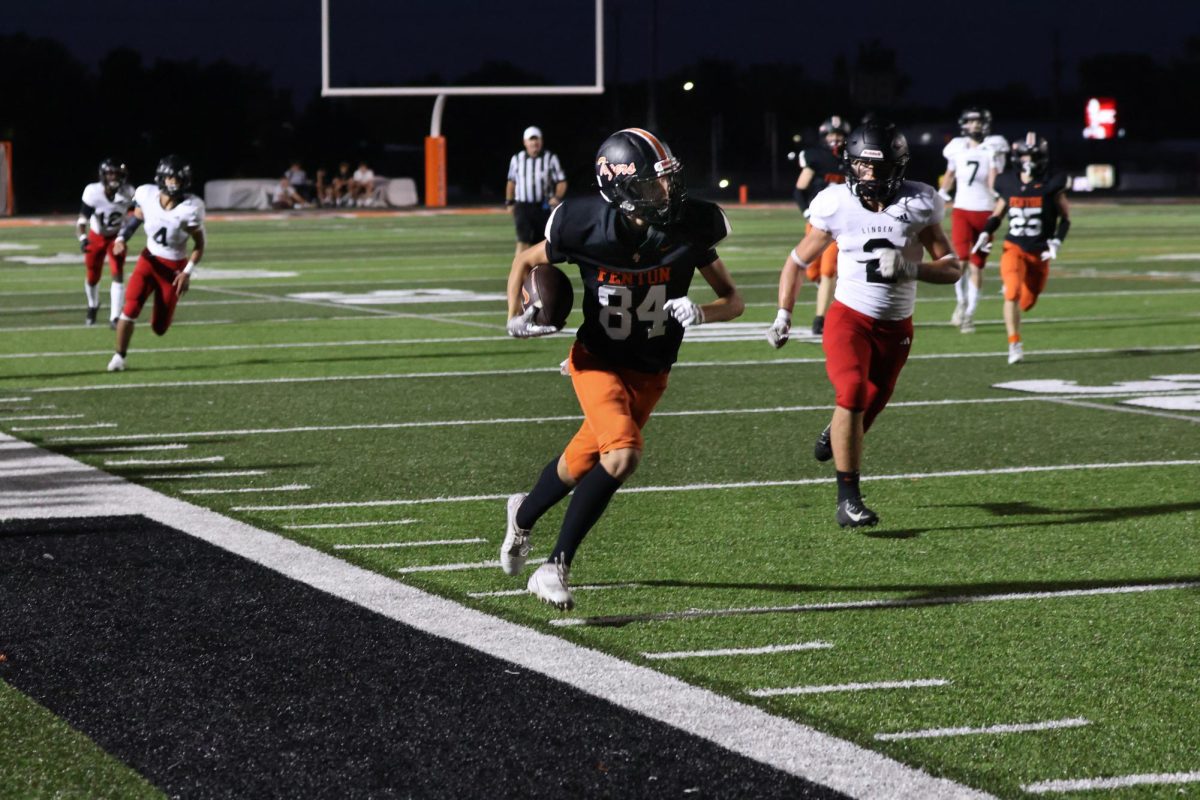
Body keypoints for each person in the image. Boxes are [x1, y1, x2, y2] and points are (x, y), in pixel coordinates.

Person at [501, 127, 744, 610]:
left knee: (582, 461)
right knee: (623, 455)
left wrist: (702, 312)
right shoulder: (582, 223)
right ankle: (555, 565)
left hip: (652, 370)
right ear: (621, 189)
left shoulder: (691, 224)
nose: (668, 191)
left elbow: (733, 301)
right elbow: (527, 260)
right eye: (655, 184)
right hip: (597, 360)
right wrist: (514, 315)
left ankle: (522, 515)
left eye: (668, 180)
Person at [766, 120, 961, 528]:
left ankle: (834, 430)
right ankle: (848, 499)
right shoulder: (834, 202)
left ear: (898, 166)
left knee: (866, 406)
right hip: (849, 318)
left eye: (878, 167)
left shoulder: (920, 202)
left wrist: (911, 267)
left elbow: (952, 268)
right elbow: (797, 261)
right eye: (861, 166)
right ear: (849, 164)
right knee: (852, 391)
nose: (868, 175)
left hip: (897, 328)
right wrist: (785, 313)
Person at [971, 132, 1070, 365]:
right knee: (1012, 293)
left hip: (1039, 252)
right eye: (1024, 155)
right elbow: (998, 213)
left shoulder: (1053, 182)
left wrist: (1057, 241)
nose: (1028, 160)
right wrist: (986, 231)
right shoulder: (1008, 181)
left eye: (1032, 155)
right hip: (1013, 246)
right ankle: (1014, 343)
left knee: (1027, 302)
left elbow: (1065, 218)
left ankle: (1014, 286)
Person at [106, 155, 206, 372]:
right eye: (170, 178)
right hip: (148, 260)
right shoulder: (147, 194)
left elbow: (200, 245)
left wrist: (187, 272)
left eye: (178, 180)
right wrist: (122, 238)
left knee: (159, 328)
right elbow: (137, 217)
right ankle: (119, 357)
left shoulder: (190, 208)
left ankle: (154, 320)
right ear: (161, 178)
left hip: (173, 268)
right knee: (129, 309)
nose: (174, 183)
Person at [939, 107, 1002, 333]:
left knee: (977, 265)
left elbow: (996, 181)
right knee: (961, 262)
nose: (975, 126)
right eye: (971, 122)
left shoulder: (994, 147)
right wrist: (941, 195)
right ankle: (961, 303)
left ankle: (969, 314)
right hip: (963, 209)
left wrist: (1000, 202)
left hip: (986, 211)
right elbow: (950, 174)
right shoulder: (956, 147)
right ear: (964, 124)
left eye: (979, 121)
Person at [793, 115, 850, 336]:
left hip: (840, 223)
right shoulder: (815, 157)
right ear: (823, 137)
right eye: (831, 135)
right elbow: (799, 189)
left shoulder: (851, 158)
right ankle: (835, 297)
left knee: (828, 270)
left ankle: (820, 319)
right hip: (817, 221)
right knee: (812, 271)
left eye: (839, 135)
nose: (835, 138)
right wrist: (806, 211)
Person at [76, 158, 135, 328]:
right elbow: (82, 220)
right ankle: (93, 305)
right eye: (110, 173)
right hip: (96, 235)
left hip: (116, 236)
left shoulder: (128, 192)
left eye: (117, 174)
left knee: (117, 272)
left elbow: (133, 218)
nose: (114, 177)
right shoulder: (92, 191)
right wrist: (83, 238)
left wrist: (123, 237)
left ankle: (115, 317)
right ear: (103, 175)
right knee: (93, 276)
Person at [505, 126, 567, 254]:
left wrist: (557, 197)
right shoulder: (517, 159)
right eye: (531, 140)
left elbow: (561, 181)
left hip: (542, 207)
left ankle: (539, 273)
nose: (534, 143)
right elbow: (511, 182)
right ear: (525, 142)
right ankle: (520, 273)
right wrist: (509, 202)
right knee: (523, 241)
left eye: (536, 139)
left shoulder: (550, 158)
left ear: (541, 141)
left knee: (542, 243)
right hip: (522, 206)